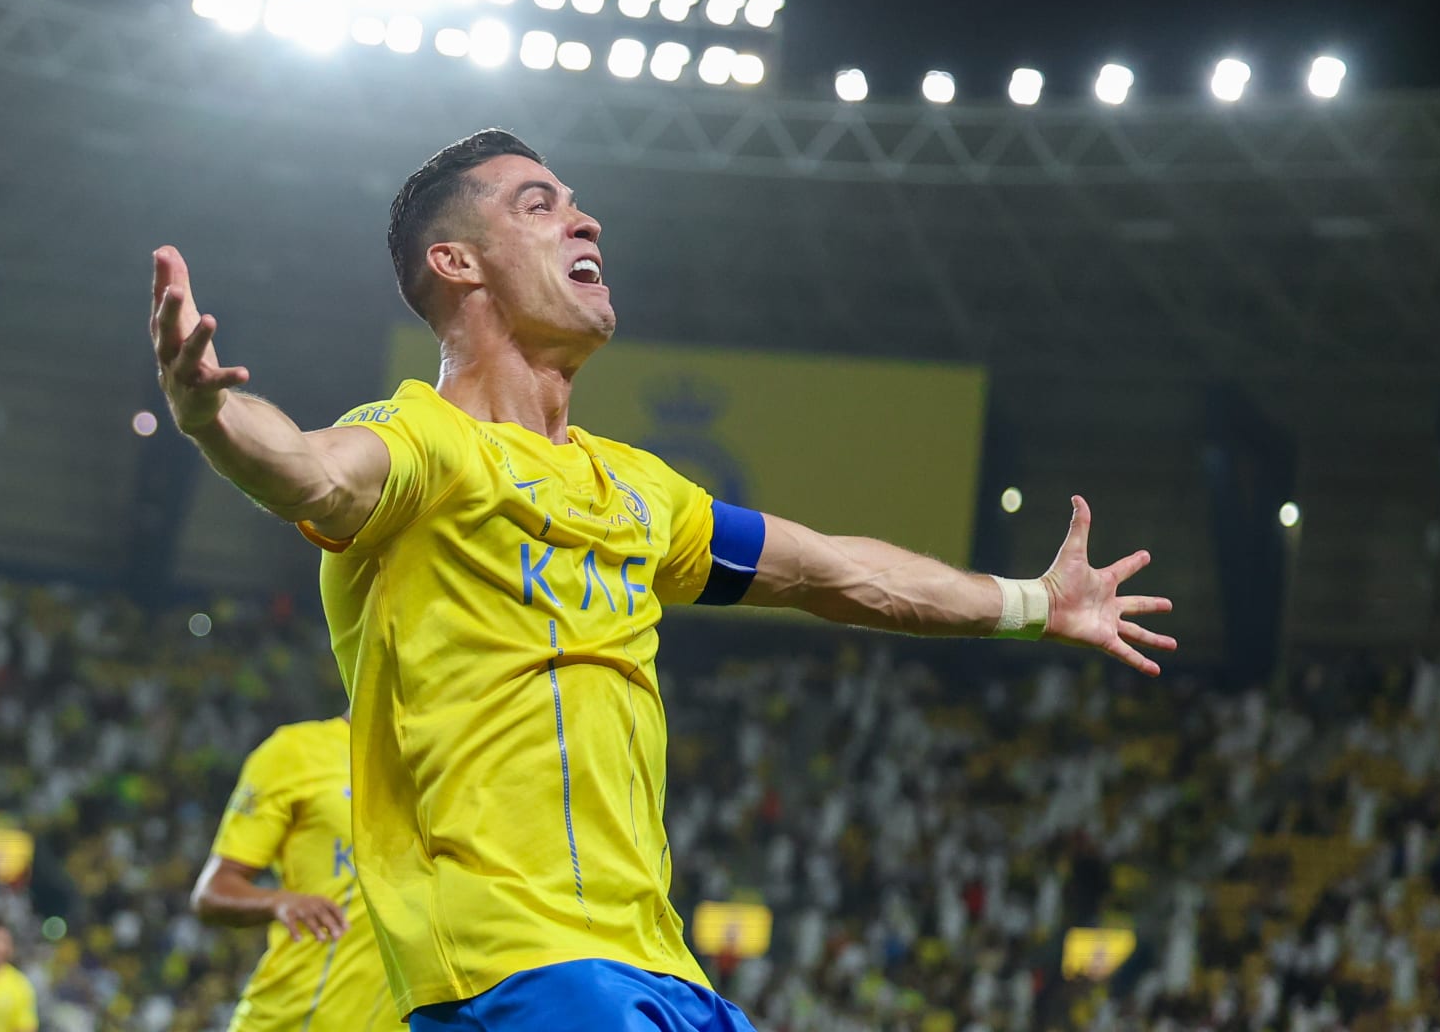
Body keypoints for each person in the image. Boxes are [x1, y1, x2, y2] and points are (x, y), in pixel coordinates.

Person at [149, 129, 1175, 1031]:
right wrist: (208, 416)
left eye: (575, 201)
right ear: (456, 262)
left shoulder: (638, 491)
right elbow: (313, 469)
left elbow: (834, 572)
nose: (583, 218)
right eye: (537, 204)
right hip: (514, 963)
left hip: (656, 963)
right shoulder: (424, 443)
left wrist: (1036, 604)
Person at [191, 710, 396, 1031]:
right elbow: (212, 892)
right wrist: (279, 901)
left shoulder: (432, 764)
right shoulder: (297, 751)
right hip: (295, 1018)